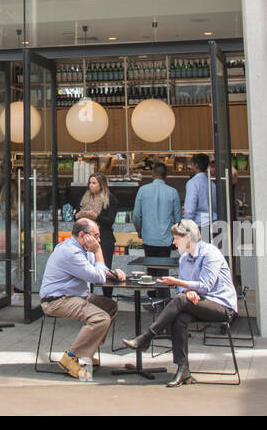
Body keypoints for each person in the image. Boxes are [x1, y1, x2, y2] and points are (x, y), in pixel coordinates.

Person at [123, 219, 237, 387]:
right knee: (180, 317)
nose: (174, 243)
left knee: (180, 302)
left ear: (188, 238)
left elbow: (206, 286)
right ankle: (183, 369)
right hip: (197, 303)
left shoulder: (210, 254)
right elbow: (182, 291)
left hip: (222, 305)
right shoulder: (184, 259)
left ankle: (147, 337)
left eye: (177, 238)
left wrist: (180, 284)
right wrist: (186, 289)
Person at [38, 216, 124, 378]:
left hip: (76, 296)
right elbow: (97, 278)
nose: (98, 239)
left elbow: (98, 271)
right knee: (100, 318)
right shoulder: (70, 252)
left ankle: (86, 353)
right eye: (96, 235)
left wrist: (113, 273)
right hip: (57, 300)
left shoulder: (84, 250)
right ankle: (70, 358)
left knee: (110, 306)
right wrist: (98, 251)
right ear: (83, 235)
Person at [79, 173, 117, 298]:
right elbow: (78, 220)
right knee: (88, 269)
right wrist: (78, 215)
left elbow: (110, 220)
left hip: (104, 239)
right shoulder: (85, 198)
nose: (91, 185)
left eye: (94, 183)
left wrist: (96, 216)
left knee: (105, 270)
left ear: (101, 185)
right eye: (90, 182)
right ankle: (88, 297)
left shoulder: (110, 199)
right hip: (87, 238)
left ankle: (108, 299)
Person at [132, 163, 180, 256]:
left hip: (148, 237)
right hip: (166, 239)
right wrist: (175, 236)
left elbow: (136, 216)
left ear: (152, 174)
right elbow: (178, 219)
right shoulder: (173, 192)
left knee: (150, 268)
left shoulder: (142, 190)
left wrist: (139, 231)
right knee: (164, 268)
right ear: (166, 176)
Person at [183, 153, 212, 232]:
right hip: (213, 223)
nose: (190, 167)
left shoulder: (193, 183)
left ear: (196, 165)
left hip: (199, 225)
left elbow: (189, 210)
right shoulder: (212, 183)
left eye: (191, 164)